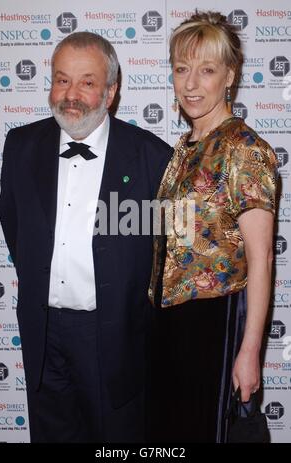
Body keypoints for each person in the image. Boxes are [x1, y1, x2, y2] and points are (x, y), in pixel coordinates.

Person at [0, 32, 172, 443]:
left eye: (87, 82)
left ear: (110, 92)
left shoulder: (152, 158)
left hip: (114, 336)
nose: (70, 94)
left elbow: (167, 255)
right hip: (44, 333)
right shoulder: (21, 145)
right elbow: (14, 225)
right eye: (62, 80)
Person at [147, 11, 277, 443]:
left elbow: (262, 258)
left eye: (206, 70)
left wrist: (250, 350)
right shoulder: (183, 150)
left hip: (215, 325)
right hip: (171, 325)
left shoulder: (245, 149)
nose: (190, 83)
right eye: (182, 69)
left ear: (229, 76)